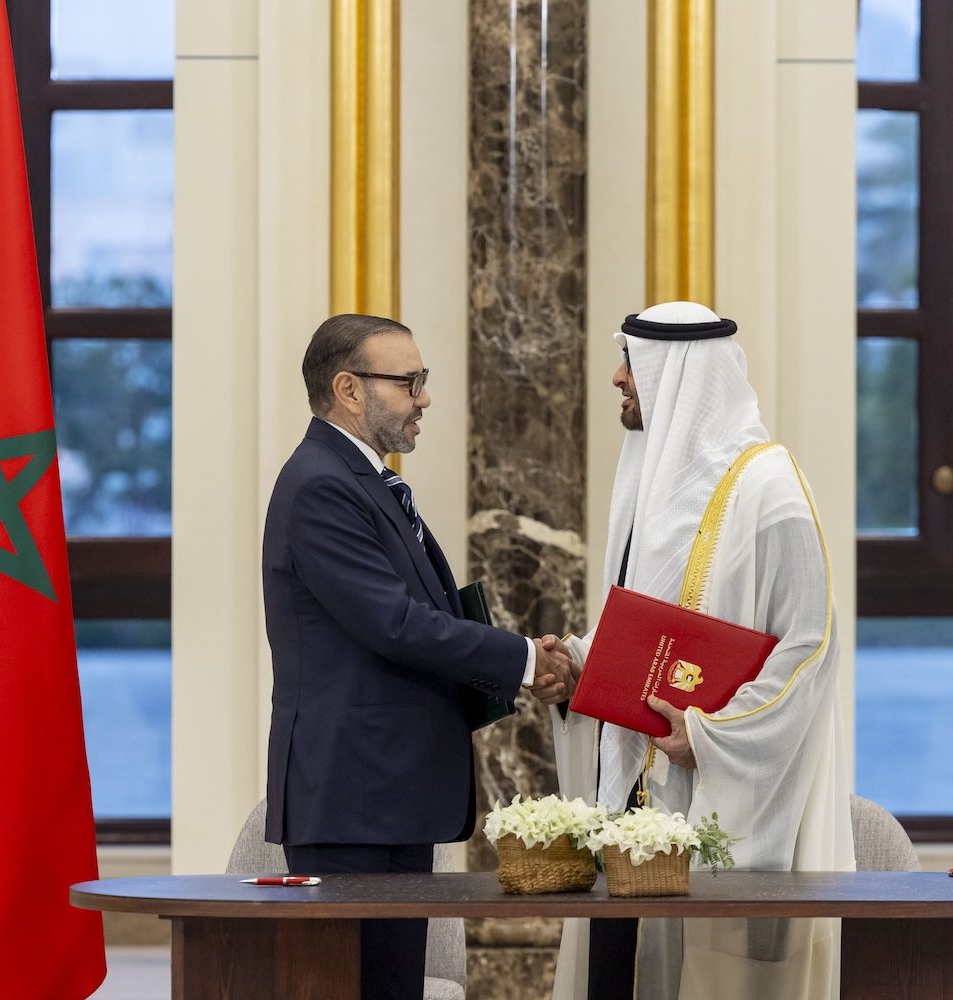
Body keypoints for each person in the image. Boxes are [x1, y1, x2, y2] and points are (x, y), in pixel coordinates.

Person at [544, 301, 854, 999]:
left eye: (632, 362)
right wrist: (578, 665)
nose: (619, 379)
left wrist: (712, 735)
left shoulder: (768, 488)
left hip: (713, 792)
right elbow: (650, 621)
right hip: (630, 806)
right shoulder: (646, 483)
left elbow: (809, 645)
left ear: (680, 373)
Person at [262, 313, 574, 1000]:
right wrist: (522, 658)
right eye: (410, 383)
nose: (424, 398)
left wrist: (513, 663)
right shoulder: (322, 484)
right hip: (351, 798)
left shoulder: (364, 481)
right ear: (348, 388)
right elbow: (396, 624)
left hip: (384, 795)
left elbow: (425, 620)